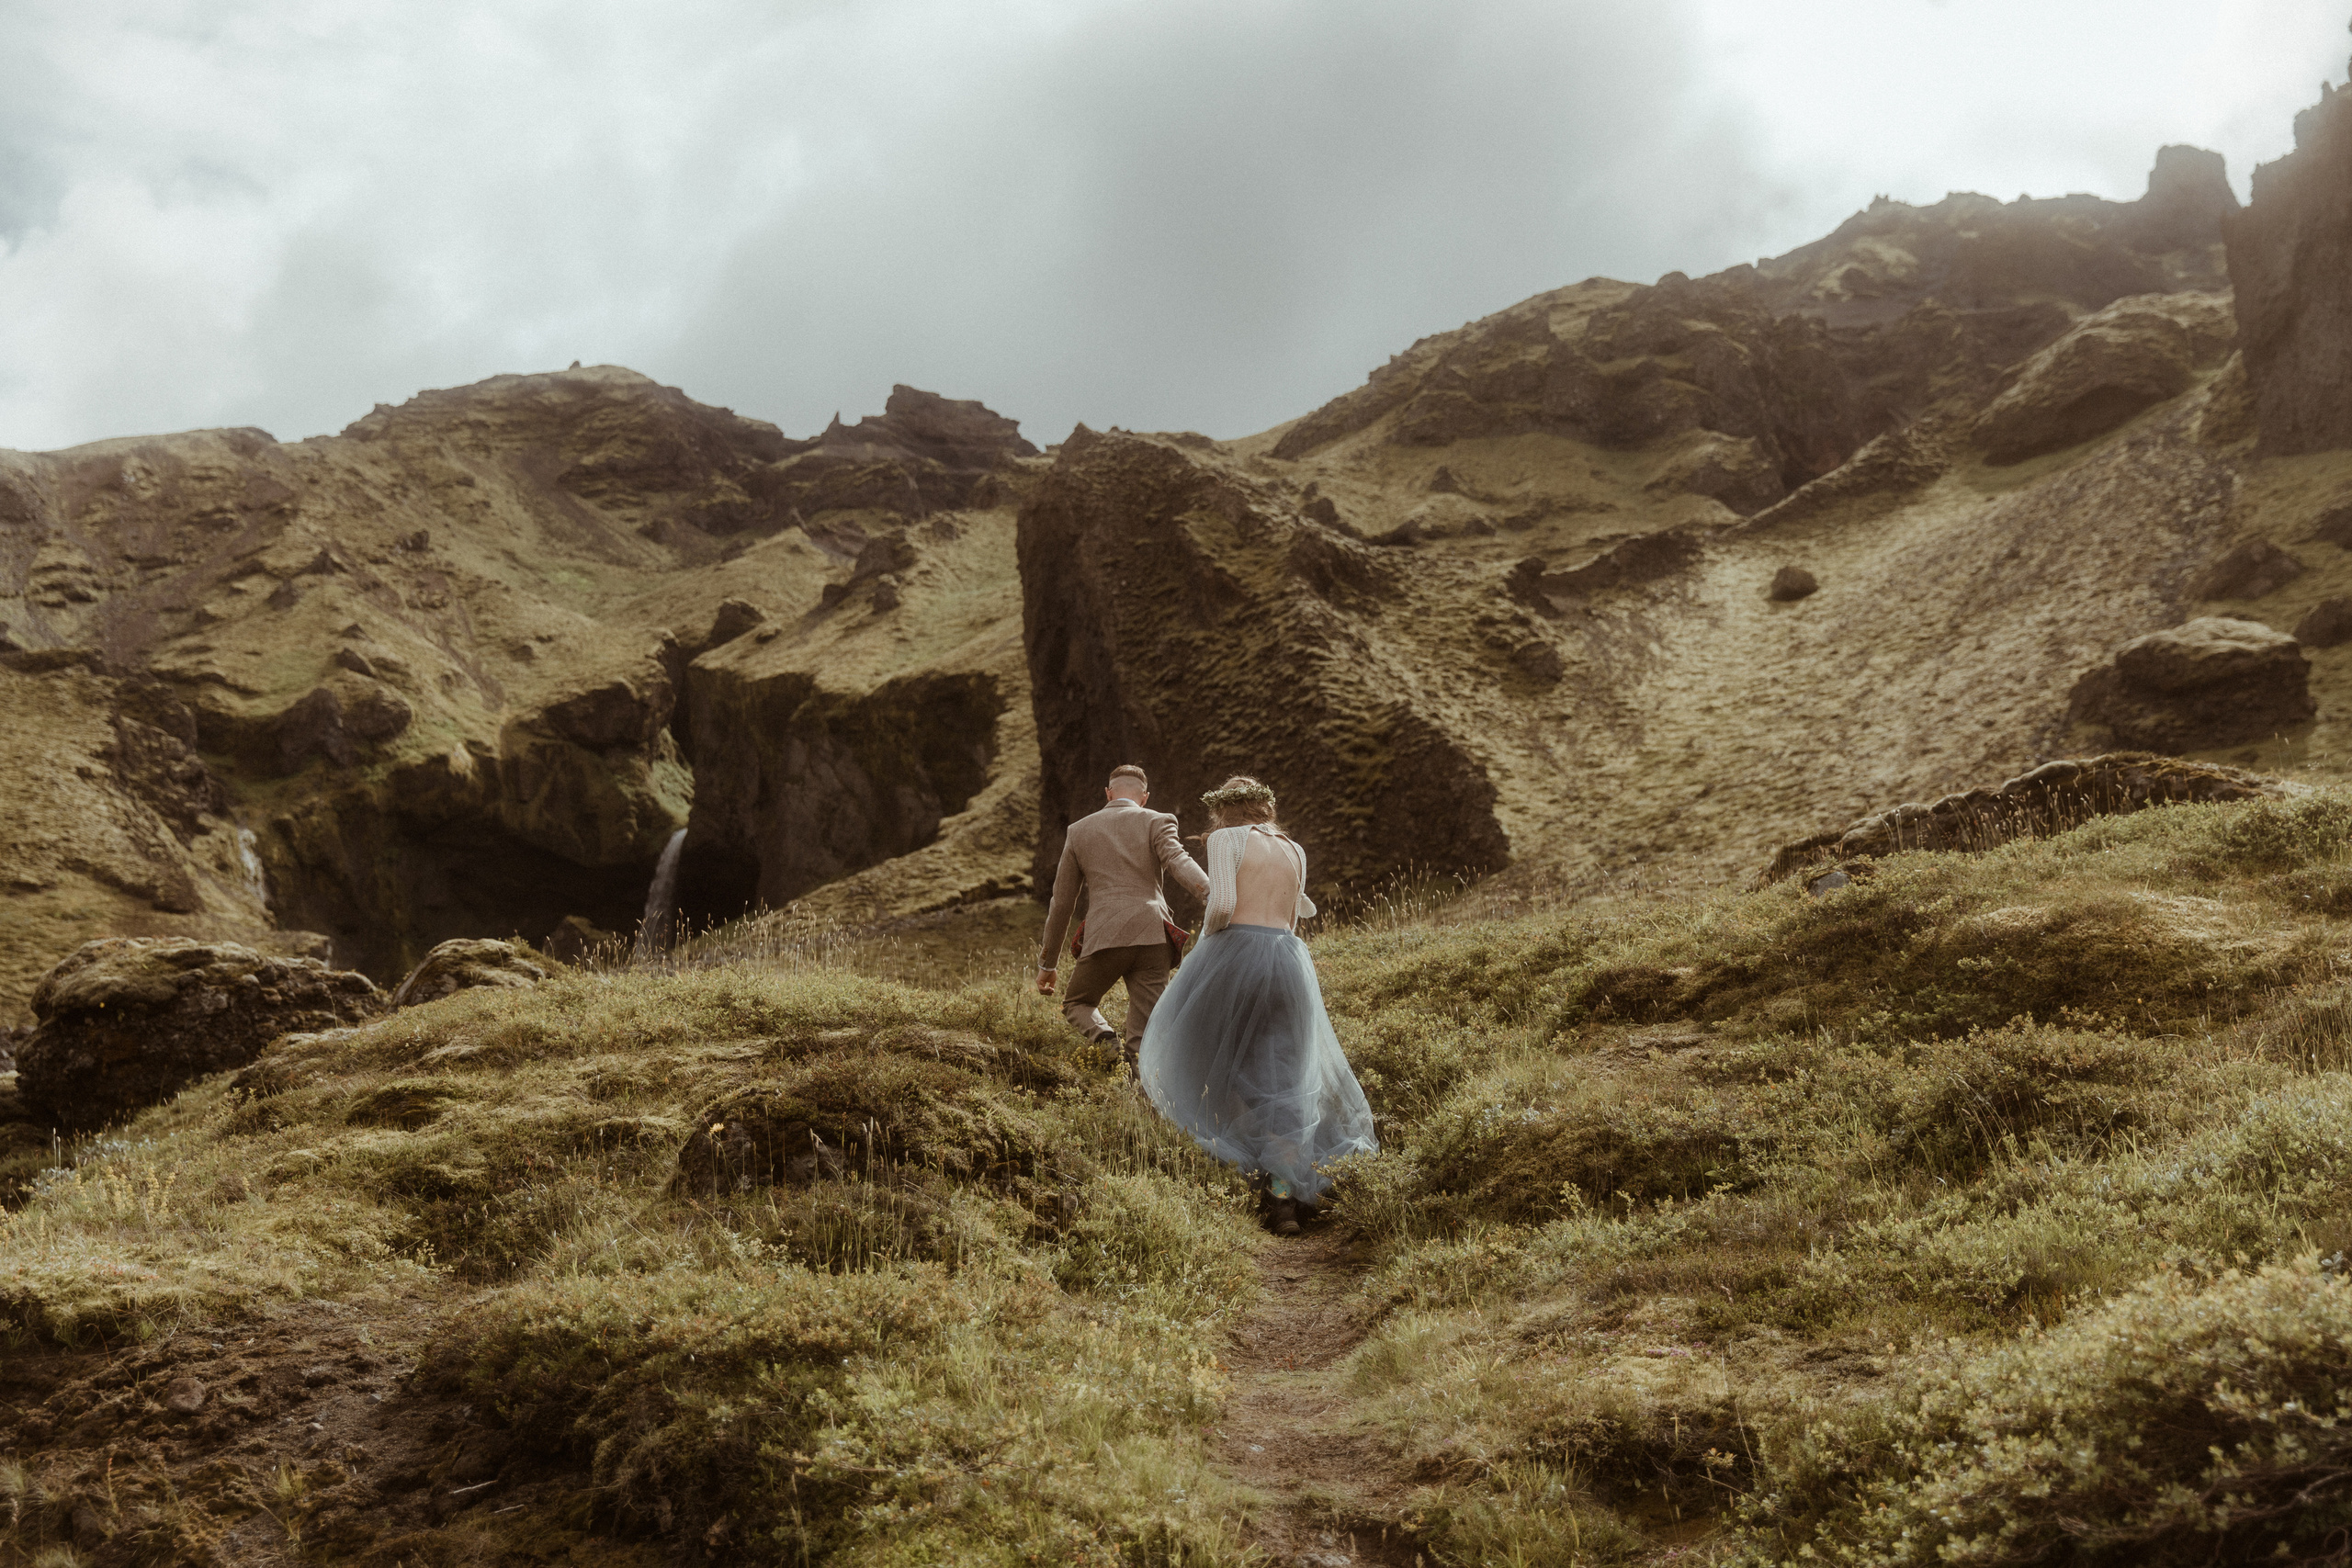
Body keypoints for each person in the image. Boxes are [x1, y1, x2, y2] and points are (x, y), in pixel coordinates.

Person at [1136, 775, 1377, 1235]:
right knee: (1284, 1075)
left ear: (1223, 811)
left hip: (1235, 954)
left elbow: (1222, 904)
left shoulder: (1228, 839)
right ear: (1266, 809)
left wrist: (1208, 954)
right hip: (1288, 961)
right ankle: (1283, 1196)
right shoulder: (1294, 847)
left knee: (1212, 1056)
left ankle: (1242, 1171)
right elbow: (1293, 919)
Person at [1036, 764, 1210, 1069]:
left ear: (1108, 793)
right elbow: (1178, 860)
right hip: (1153, 935)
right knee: (1145, 1037)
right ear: (1144, 797)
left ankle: (1104, 1038)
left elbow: (1062, 904)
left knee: (1077, 1003)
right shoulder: (1158, 820)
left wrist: (1047, 964)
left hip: (1105, 935)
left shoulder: (1078, 831)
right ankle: (1141, 1102)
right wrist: (1210, 892)